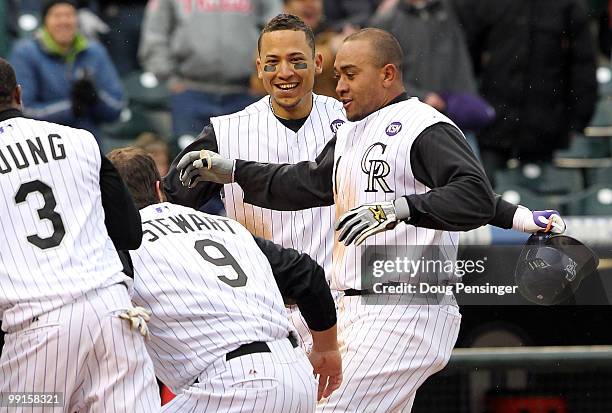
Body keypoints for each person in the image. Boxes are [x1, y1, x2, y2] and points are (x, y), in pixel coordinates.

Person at [176, 29, 566, 412]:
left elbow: (472, 193)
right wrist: (234, 170)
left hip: (406, 306)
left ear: (387, 74)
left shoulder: (421, 124)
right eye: (338, 75)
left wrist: (395, 209)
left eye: (350, 74)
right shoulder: (351, 133)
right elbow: (300, 182)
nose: (340, 85)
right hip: (359, 309)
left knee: (314, 407)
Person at [107, 146, 342, 412]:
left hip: (231, 385)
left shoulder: (118, 246)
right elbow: (305, 272)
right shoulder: (225, 226)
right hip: (296, 378)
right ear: (160, 189)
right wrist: (326, 350)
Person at [164, 14, 347, 352]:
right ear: (259, 66)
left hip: (342, 313)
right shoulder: (225, 132)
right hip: (261, 313)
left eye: (296, 61)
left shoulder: (350, 122)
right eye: (273, 62)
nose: (285, 73)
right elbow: (166, 207)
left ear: (318, 62)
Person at [0, 58, 160, 411]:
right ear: (18, 94)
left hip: (39, 335)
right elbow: (130, 234)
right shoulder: (80, 140)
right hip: (113, 315)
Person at [451, 0, 598, 182]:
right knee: (484, 193)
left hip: (546, 130)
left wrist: (578, 120)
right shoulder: (489, 4)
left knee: (541, 201)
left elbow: (583, 66)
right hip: (494, 126)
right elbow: (467, 58)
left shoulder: (567, 6)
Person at [9, 0, 125, 144]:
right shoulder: (26, 53)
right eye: (57, 16)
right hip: (45, 148)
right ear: (45, 21)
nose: (64, 21)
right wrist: (71, 108)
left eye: (69, 15)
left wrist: (95, 98)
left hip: (89, 147)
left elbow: (117, 108)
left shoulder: (95, 51)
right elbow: (22, 111)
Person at [370, 0, 495, 132]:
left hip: (460, 116)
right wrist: (421, 97)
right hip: (414, 121)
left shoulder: (454, 9)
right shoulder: (386, 21)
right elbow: (379, 76)